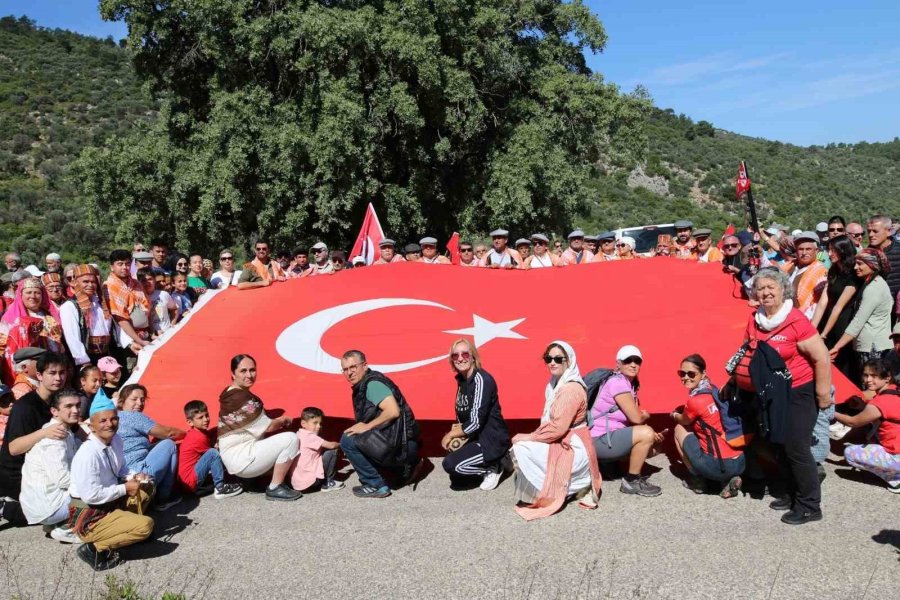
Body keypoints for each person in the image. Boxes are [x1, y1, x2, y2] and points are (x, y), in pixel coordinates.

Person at [745, 267, 832, 525]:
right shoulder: (755, 319)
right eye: (761, 288)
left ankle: (809, 505)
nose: (766, 292)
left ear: (784, 289)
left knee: (796, 447)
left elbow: (821, 357)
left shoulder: (796, 321)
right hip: (772, 393)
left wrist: (823, 393)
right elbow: (748, 351)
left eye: (771, 287)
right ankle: (791, 493)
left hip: (799, 391)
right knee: (777, 444)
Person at [511, 341, 601, 519]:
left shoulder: (570, 389)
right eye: (548, 358)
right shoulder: (556, 384)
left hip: (573, 445)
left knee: (521, 447)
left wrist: (529, 437)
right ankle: (573, 485)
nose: (552, 363)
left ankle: (575, 485)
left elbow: (557, 428)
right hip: (564, 438)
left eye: (558, 359)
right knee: (524, 446)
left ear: (569, 361)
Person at [68, 394, 155, 571]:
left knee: (146, 489)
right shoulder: (88, 454)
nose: (110, 424)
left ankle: (124, 531)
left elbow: (121, 469)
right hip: (89, 514)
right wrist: (125, 488)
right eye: (103, 421)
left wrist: (135, 476)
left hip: (107, 502)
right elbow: (91, 495)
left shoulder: (116, 440)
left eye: (114, 418)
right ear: (92, 426)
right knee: (146, 526)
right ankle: (94, 549)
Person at [339, 350, 421, 498]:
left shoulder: (372, 384)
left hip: (402, 446)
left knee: (347, 439)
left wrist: (366, 426)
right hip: (402, 442)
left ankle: (375, 484)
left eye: (353, 367)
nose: (349, 373)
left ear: (364, 365)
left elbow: (393, 411)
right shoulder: (366, 384)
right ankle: (404, 468)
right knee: (359, 436)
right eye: (345, 369)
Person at [218, 355, 301, 501]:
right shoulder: (241, 398)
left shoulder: (231, 394)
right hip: (241, 458)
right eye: (243, 371)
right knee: (291, 439)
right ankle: (275, 487)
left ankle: (253, 480)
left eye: (252, 370)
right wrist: (283, 420)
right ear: (232, 373)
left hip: (235, 459)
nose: (249, 375)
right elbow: (269, 426)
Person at [0, 351, 68, 526]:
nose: (58, 378)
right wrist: (44, 432)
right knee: (47, 513)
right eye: (52, 373)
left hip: (44, 466)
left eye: (62, 372)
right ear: (39, 375)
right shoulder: (25, 407)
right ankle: (5, 507)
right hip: (17, 474)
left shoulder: (58, 400)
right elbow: (14, 448)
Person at [588, 345, 664, 496]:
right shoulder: (618, 383)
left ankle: (608, 465)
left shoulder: (628, 383)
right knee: (646, 434)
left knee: (655, 448)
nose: (633, 364)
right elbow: (636, 418)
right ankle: (631, 481)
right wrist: (646, 416)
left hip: (606, 438)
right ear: (618, 364)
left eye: (637, 361)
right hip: (599, 441)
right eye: (628, 361)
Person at [441, 339, 511, 491]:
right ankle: (487, 461)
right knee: (456, 476)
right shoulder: (463, 380)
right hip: (475, 437)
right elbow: (462, 415)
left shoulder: (481, 380)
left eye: (465, 354)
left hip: (491, 439)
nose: (460, 358)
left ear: (473, 357)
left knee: (451, 465)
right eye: (455, 355)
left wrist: (450, 435)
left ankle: (495, 465)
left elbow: (475, 422)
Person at [670, 354, 745, 498]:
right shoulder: (714, 390)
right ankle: (728, 482)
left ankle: (698, 481)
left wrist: (674, 415)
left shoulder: (696, 400)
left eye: (691, 373)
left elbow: (684, 420)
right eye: (682, 373)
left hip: (720, 466)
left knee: (679, 429)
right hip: (740, 461)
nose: (686, 377)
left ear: (703, 374)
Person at [19, 389, 82, 541]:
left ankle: (59, 522)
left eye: (78, 405)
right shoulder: (54, 439)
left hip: (48, 502)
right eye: (68, 406)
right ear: (54, 411)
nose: (75, 410)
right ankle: (65, 528)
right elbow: (62, 479)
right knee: (99, 495)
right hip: (47, 506)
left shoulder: (64, 430)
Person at [834, 357, 899, 493]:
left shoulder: (881, 402)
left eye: (874, 376)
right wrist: (862, 405)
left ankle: (895, 478)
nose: (868, 380)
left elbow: (852, 422)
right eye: (865, 375)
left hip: (897, 456)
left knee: (849, 453)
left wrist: (830, 412)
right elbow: (882, 412)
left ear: (887, 377)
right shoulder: (895, 391)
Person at [829, 248, 893, 384]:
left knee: (872, 385)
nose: (856, 267)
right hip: (870, 345)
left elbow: (858, 322)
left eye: (860, 264)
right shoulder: (870, 283)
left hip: (873, 347)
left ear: (872, 265)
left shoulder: (873, 288)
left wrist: (837, 347)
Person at [116, 384, 184, 510]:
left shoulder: (115, 418)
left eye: (142, 400)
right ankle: (164, 497)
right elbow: (168, 432)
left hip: (123, 474)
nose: (139, 403)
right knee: (169, 444)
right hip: (138, 471)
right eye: (134, 399)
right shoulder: (133, 416)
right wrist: (187, 434)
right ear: (121, 402)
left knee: (159, 444)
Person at [811, 236, 859, 379]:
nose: (829, 254)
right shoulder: (833, 271)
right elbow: (823, 303)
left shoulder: (853, 274)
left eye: (834, 250)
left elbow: (839, 306)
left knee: (840, 365)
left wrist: (823, 334)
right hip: (829, 319)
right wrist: (812, 328)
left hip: (843, 322)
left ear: (843, 251)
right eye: (829, 250)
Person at [176, 400, 243, 499]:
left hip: (186, 482)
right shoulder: (197, 437)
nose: (206, 419)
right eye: (200, 418)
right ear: (190, 422)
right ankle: (220, 488)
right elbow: (213, 456)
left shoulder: (196, 433)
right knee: (213, 453)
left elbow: (211, 433)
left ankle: (202, 488)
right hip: (190, 482)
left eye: (206, 415)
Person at [0, 278, 65, 378]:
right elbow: (2, 346)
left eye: (37, 293)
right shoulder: (10, 318)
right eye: (28, 292)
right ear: (21, 295)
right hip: (22, 370)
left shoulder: (50, 318)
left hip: (50, 369)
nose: (33, 296)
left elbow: (58, 345)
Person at [104, 249, 151, 374]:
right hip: (128, 341)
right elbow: (120, 319)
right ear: (112, 267)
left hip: (146, 335)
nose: (125, 267)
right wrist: (137, 340)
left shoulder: (136, 284)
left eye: (128, 264)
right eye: (120, 264)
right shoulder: (109, 286)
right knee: (134, 372)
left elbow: (146, 308)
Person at [60, 264, 112, 367]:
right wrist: (84, 360)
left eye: (93, 282)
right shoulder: (70, 306)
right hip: (86, 358)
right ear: (76, 283)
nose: (90, 285)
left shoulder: (100, 303)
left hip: (105, 354)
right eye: (85, 281)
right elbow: (72, 337)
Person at [289, 407, 344, 493]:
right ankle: (328, 482)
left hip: (298, 483)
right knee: (332, 452)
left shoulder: (299, 434)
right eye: (315, 423)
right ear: (303, 423)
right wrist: (342, 445)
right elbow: (331, 445)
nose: (318, 426)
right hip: (311, 482)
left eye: (320, 423)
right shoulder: (310, 436)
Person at [788, 232, 828, 319]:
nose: (804, 252)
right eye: (801, 249)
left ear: (816, 251)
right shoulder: (790, 265)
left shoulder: (821, 271)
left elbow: (819, 303)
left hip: (804, 319)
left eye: (808, 249)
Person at [867, 215, 900, 309]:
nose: (870, 235)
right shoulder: (866, 254)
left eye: (875, 231)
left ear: (889, 231)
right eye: (869, 231)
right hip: (875, 308)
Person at [138, 269, 177, 337]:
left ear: (155, 280)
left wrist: (172, 325)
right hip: (151, 337)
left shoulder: (164, 294)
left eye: (150, 279)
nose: (147, 283)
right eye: (143, 280)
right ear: (139, 282)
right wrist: (151, 333)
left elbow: (174, 309)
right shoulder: (137, 298)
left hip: (168, 333)